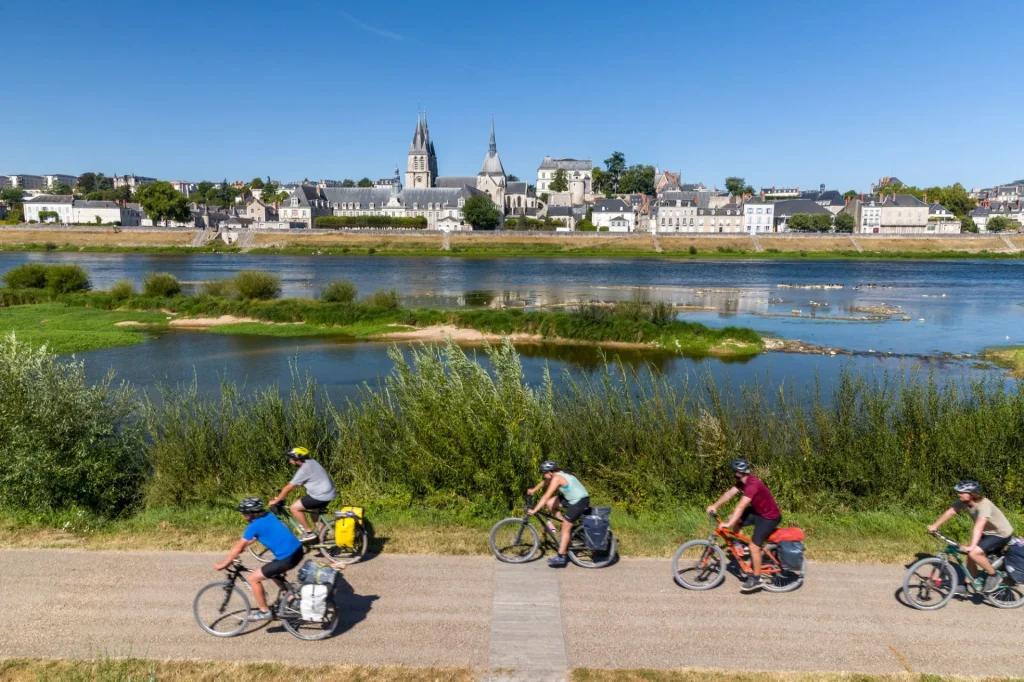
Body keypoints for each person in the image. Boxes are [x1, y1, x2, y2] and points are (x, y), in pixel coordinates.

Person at [214, 497, 304, 622]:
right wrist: (246, 544)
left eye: (244, 513)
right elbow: (263, 533)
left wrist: (224, 563)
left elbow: (238, 547)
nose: (243, 516)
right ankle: (290, 598)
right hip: (298, 551)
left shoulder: (254, 526)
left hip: (287, 558)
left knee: (253, 578)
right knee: (273, 571)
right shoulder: (268, 515)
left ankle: (264, 612)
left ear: (250, 514)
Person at [706, 458, 782, 593]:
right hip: (759, 512)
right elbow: (729, 494)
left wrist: (728, 524)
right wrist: (715, 505)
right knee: (733, 518)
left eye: (734, 472)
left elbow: (741, 506)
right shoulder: (743, 482)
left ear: (738, 473)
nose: (733, 474)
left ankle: (756, 579)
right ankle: (740, 545)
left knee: (754, 547)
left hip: (769, 517)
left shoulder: (752, 485)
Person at [928, 480, 1014, 593]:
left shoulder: (984, 505)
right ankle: (967, 585)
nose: (959, 494)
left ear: (971, 494)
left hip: (1001, 533)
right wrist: (935, 526)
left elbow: (978, 527)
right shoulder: (964, 502)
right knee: (971, 554)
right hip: (988, 532)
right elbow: (951, 512)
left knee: (973, 552)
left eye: (962, 492)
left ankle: (994, 576)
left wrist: (971, 546)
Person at [527, 460, 590, 568]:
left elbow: (546, 496)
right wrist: (534, 490)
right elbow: (545, 482)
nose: (543, 475)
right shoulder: (555, 474)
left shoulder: (557, 478)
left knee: (565, 527)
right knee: (550, 504)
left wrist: (535, 510)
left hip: (580, 501)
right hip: (572, 498)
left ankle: (561, 556)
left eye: (544, 473)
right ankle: (566, 524)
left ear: (550, 472)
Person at [268, 447, 338, 542]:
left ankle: (309, 533)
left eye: (291, 458)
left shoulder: (304, 470)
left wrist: (276, 500)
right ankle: (324, 539)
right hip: (329, 493)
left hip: (321, 496)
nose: (289, 461)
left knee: (294, 508)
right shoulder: (312, 462)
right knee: (314, 516)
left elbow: (289, 488)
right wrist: (282, 496)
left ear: (297, 459)